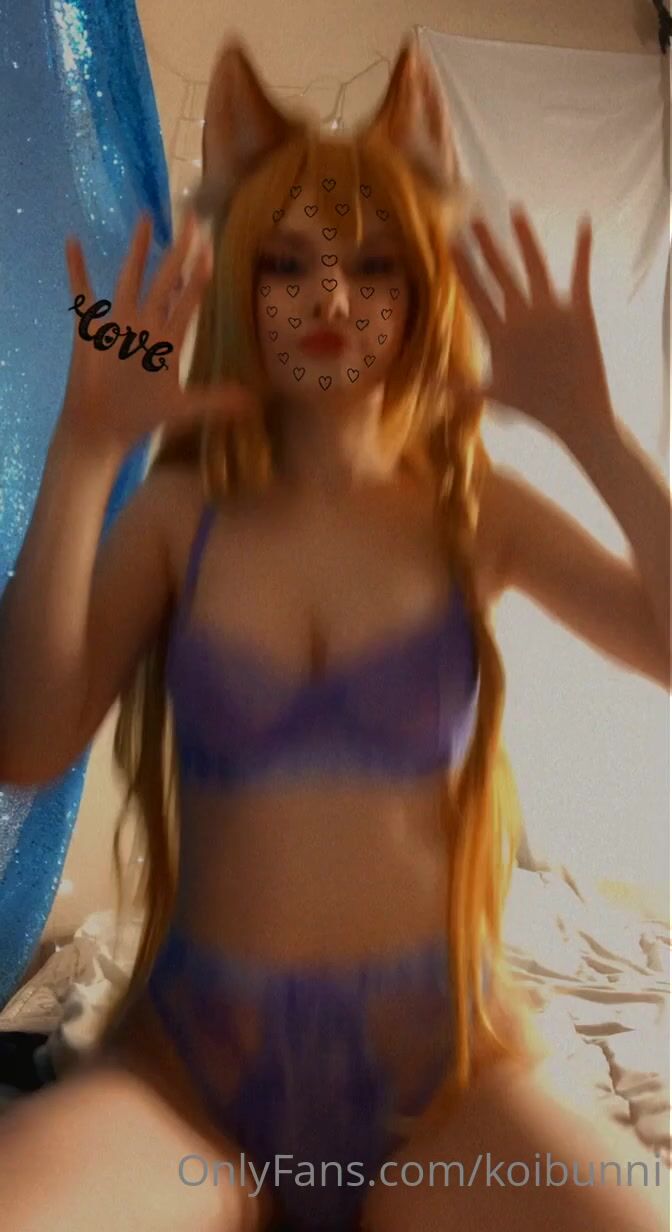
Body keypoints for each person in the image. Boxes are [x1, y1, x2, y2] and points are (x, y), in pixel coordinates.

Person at [0, 31, 669, 1232]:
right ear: (243, 283)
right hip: (194, 1083)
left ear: (421, 287)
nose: (332, 300)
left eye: (372, 266)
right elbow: (27, 742)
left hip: (443, 1084)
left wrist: (594, 429)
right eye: (290, 264)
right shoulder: (179, 515)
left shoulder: (473, 509)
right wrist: (83, 452)